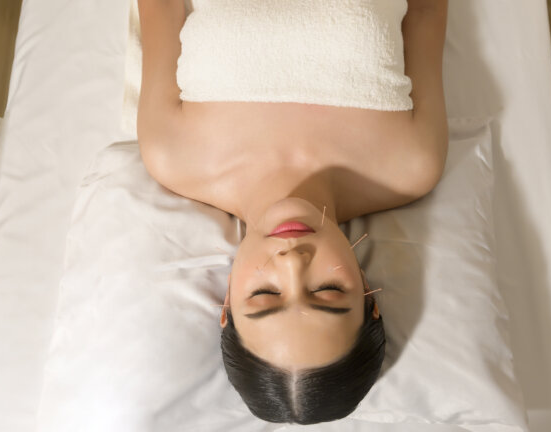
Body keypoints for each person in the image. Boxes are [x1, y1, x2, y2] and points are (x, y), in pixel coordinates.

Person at [136, 0, 448, 424]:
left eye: (265, 295)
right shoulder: (411, 162)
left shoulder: (173, 155)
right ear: (368, 293)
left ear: (226, 303)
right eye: (328, 291)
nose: (293, 261)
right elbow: (427, 11)